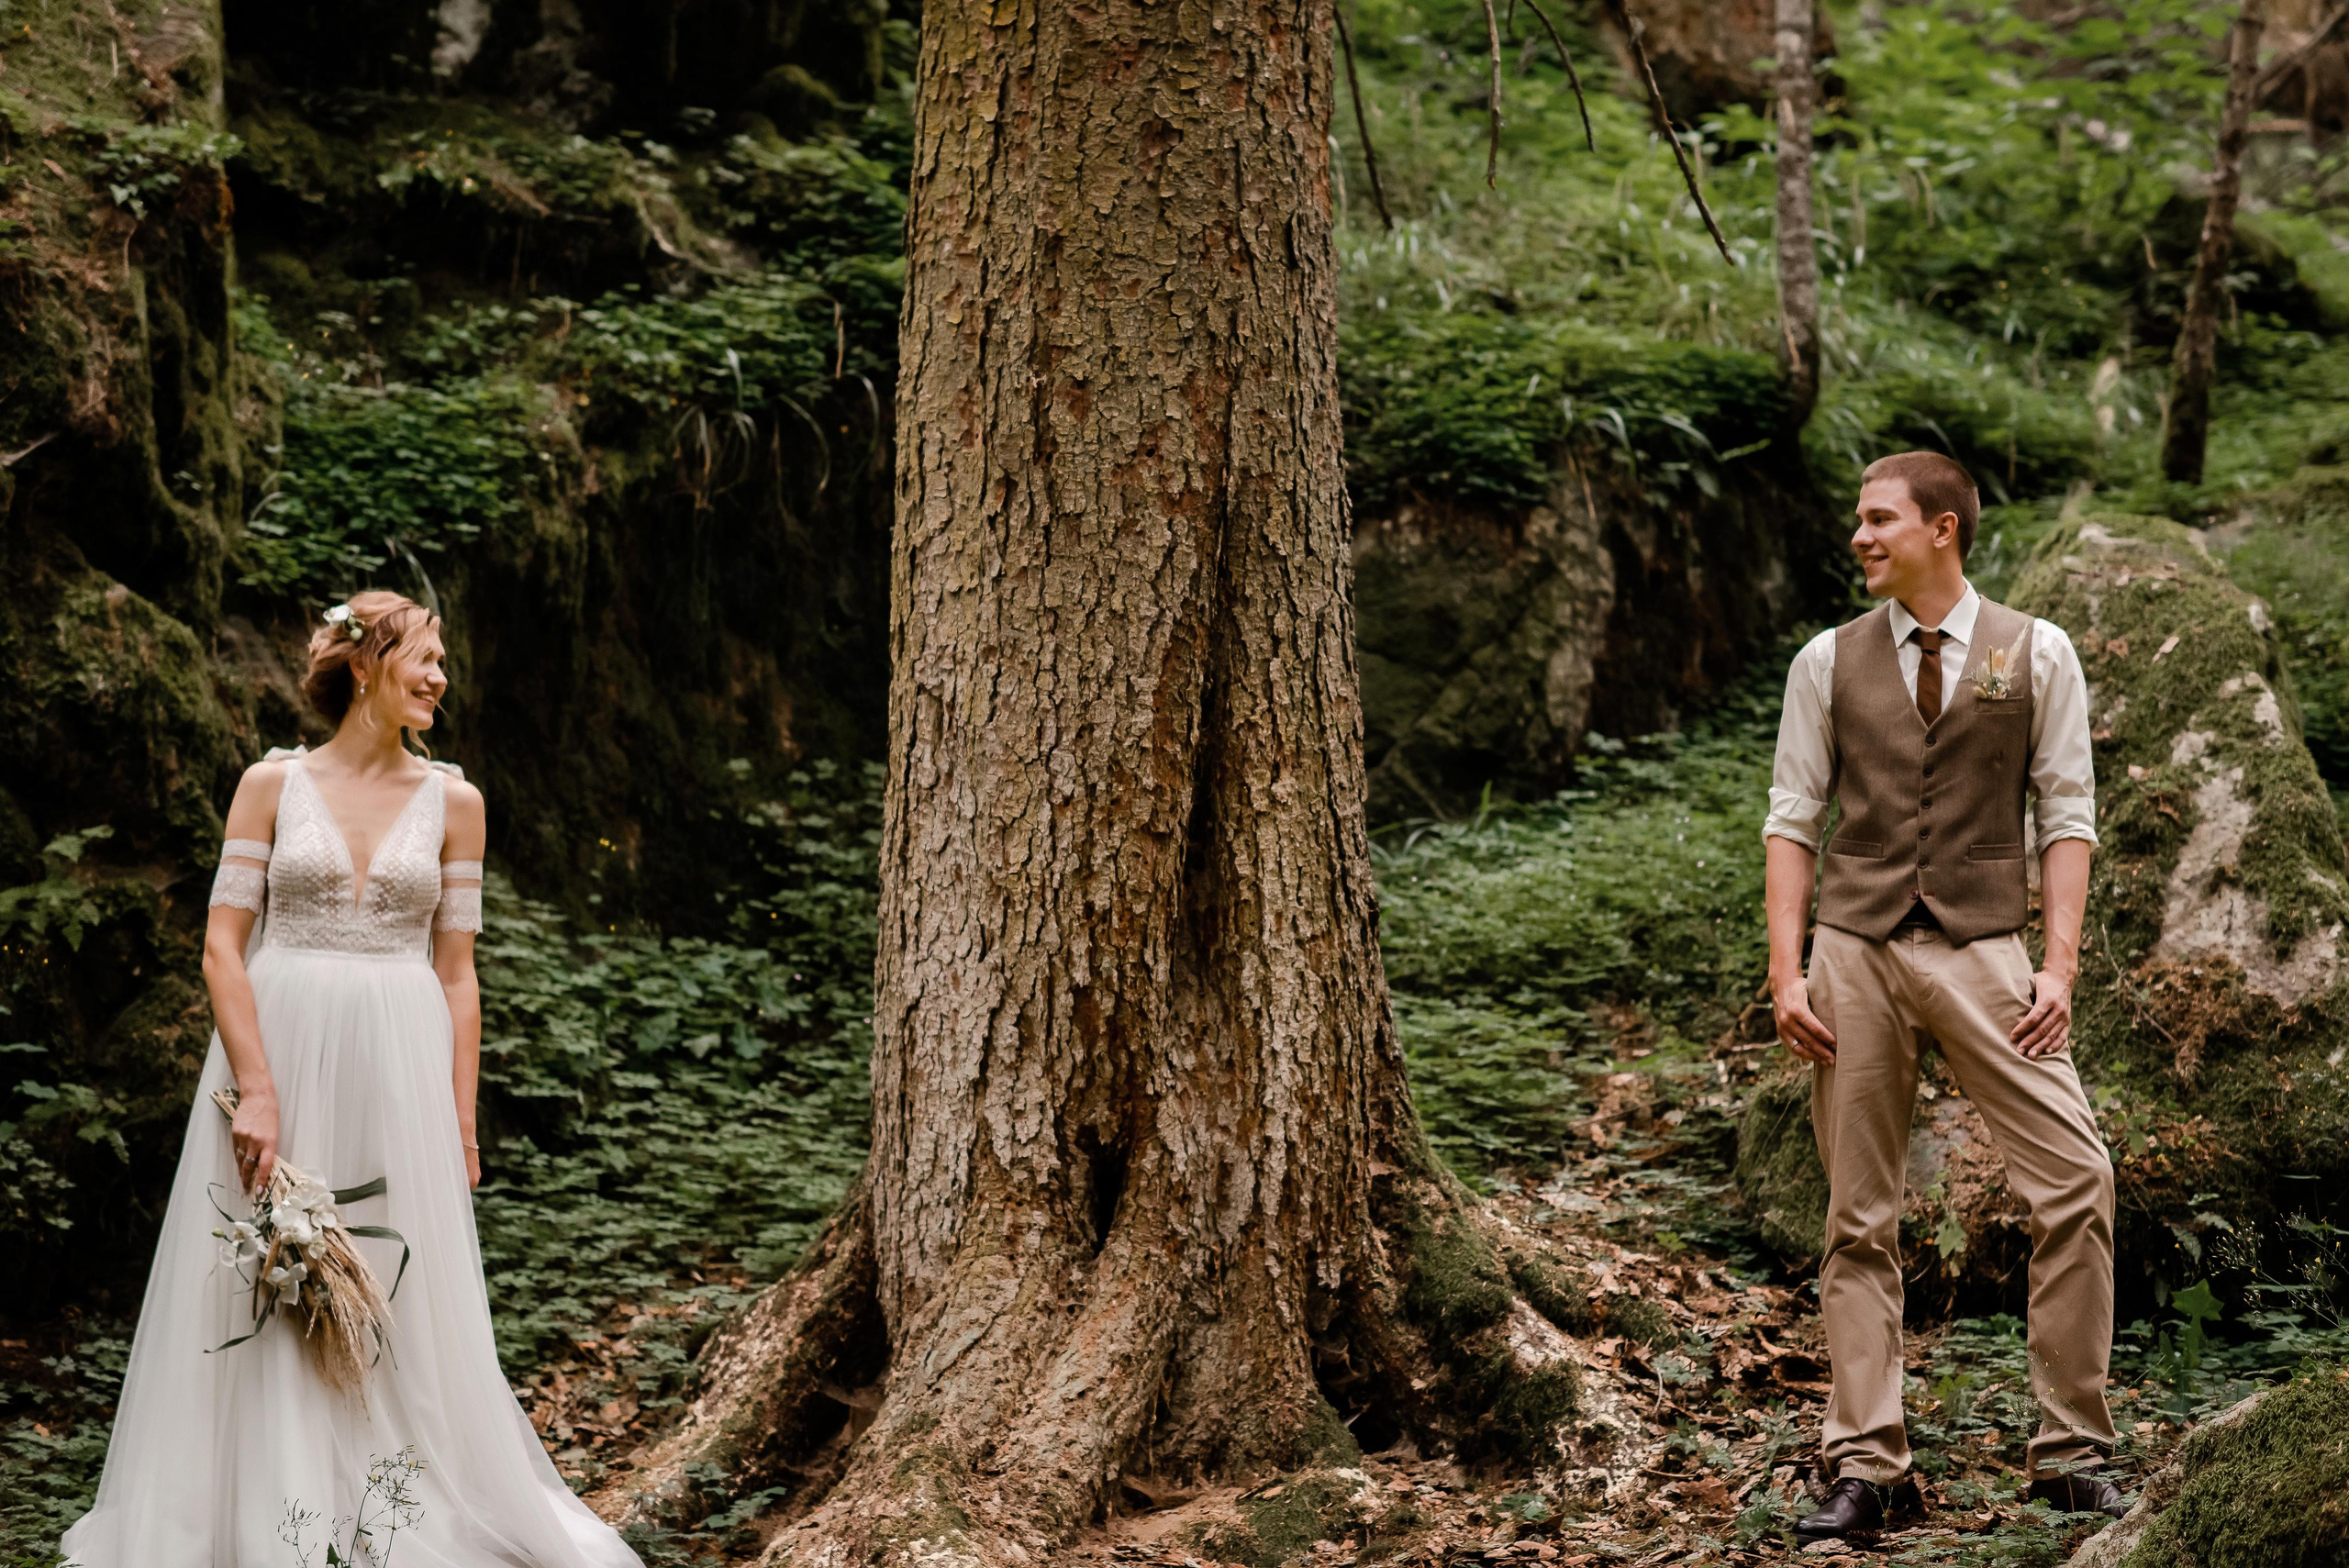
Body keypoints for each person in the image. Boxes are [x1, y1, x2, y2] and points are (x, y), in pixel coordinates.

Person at [63, 592, 640, 1568]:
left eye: (444, 658)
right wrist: (259, 1087)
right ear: (365, 662)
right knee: (264, 1264)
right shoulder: (270, 783)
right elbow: (219, 946)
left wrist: (457, 1126)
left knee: (391, 1269)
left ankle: (384, 1502)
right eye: (423, 654)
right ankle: (266, 1505)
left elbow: (457, 972)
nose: (440, 675)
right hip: (280, 1042)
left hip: (400, 1060)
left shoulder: (458, 803)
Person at [1763, 453, 2122, 1544]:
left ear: (1943, 529)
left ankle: (2070, 1452)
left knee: (2077, 1178)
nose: (1860, 536)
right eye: (1858, 521)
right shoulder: (1824, 660)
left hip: (1983, 951)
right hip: (1855, 951)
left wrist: (2056, 968)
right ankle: (1866, 1465)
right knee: (1856, 1216)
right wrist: (1788, 971)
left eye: (1879, 520)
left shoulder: (2036, 649)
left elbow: (2067, 815)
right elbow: (1792, 819)